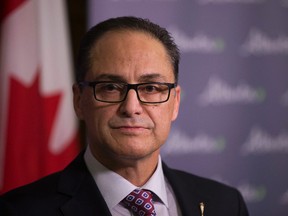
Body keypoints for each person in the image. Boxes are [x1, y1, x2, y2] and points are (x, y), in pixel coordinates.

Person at [0, 16, 249, 216]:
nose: (131, 107)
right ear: (79, 101)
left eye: (151, 88)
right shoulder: (19, 210)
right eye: (110, 87)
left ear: (175, 103)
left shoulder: (225, 204)